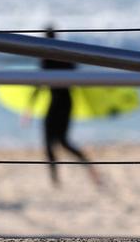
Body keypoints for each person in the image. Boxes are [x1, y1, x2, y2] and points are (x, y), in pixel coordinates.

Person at [29, 27, 102, 186]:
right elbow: (76, 75)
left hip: (58, 102)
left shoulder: (46, 57)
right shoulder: (65, 55)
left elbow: (39, 83)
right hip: (65, 101)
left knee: (55, 142)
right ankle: (59, 178)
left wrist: (29, 108)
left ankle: (58, 179)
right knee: (60, 142)